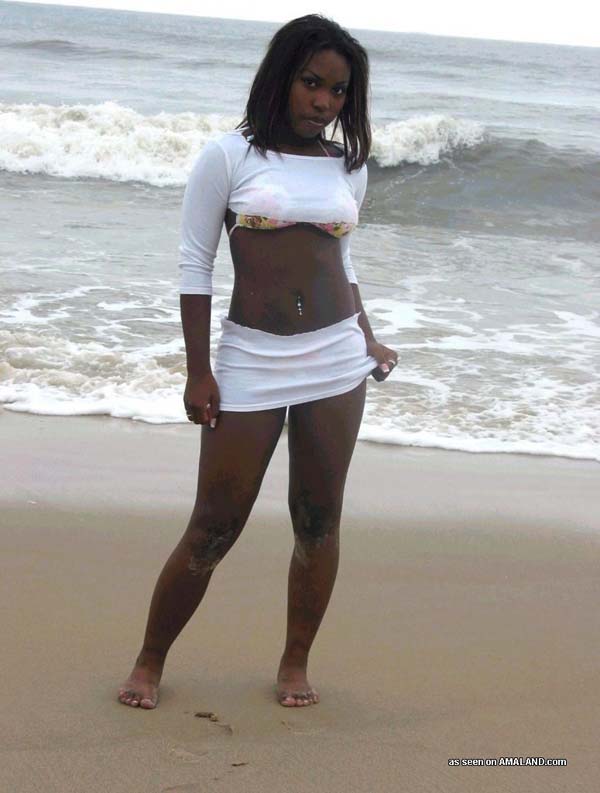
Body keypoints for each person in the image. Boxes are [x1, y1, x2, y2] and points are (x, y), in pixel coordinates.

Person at [118, 13, 398, 710]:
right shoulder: (229, 156)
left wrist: (367, 337)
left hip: (335, 358)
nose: (324, 102)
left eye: (338, 91)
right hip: (252, 358)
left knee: (318, 519)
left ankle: (295, 663)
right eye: (311, 83)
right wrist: (198, 370)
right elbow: (195, 264)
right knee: (214, 524)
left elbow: (342, 260)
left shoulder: (348, 166)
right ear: (282, 78)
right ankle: (150, 660)